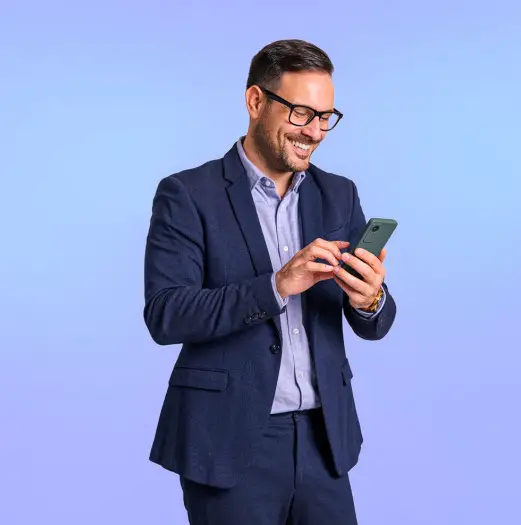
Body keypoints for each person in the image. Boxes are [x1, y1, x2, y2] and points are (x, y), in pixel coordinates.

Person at [142, 39, 397, 525]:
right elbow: (166, 314)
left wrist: (370, 299)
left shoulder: (339, 194)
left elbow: (376, 321)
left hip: (326, 440)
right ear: (256, 101)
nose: (315, 132)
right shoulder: (187, 194)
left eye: (326, 117)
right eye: (301, 113)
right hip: (229, 442)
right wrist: (277, 285)